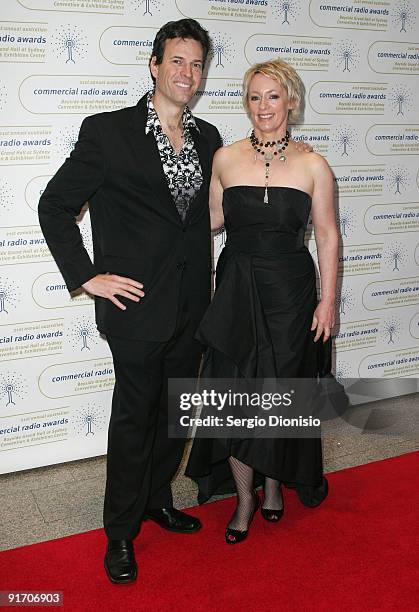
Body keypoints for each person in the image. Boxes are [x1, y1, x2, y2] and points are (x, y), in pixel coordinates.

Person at [38, 19, 221, 584]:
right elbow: (54, 206)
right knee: (134, 418)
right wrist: (88, 277)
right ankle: (119, 532)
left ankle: (157, 499)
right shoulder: (109, 133)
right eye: (177, 62)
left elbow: (201, 219)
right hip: (135, 308)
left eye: (196, 64)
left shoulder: (209, 138)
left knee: (173, 416)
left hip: (192, 304)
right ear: (154, 65)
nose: (187, 73)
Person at [186, 58, 339, 544]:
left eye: (272, 96)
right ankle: (245, 496)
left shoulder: (314, 164)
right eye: (254, 97)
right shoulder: (225, 158)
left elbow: (330, 238)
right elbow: (209, 224)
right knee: (234, 396)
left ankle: (274, 486)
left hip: (291, 293)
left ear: (290, 101)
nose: (262, 107)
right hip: (236, 288)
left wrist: (328, 301)